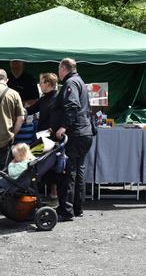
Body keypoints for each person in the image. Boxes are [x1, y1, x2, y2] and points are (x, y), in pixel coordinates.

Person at [53, 58, 93, 221]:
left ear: (64, 68)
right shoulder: (80, 81)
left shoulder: (71, 83)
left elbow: (72, 106)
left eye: (59, 69)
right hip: (84, 132)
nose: (58, 72)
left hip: (75, 133)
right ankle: (77, 207)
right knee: (78, 171)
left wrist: (63, 126)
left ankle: (66, 210)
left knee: (68, 172)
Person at [26, 73, 59, 200]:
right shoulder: (44, 98)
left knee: (51, 164)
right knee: (36, 162)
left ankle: (54, 192)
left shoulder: (58, 98)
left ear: (48, 84)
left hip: (52, 138)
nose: (40, 85)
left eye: (41, 82)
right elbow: (31, 110)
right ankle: (34, 190)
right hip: (42, 137)